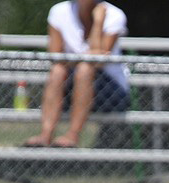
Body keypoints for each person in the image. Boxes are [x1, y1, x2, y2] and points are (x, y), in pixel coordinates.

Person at [23, 0, 130, 148]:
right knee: (58, 71)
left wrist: (98, 23)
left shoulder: (113, 14)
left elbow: (99, 62)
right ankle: (45, 135)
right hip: (72, 83)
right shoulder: (59, 11)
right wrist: (87, 57)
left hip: (111, 91)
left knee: (85, 69)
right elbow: (55, 56)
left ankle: (73, 135)